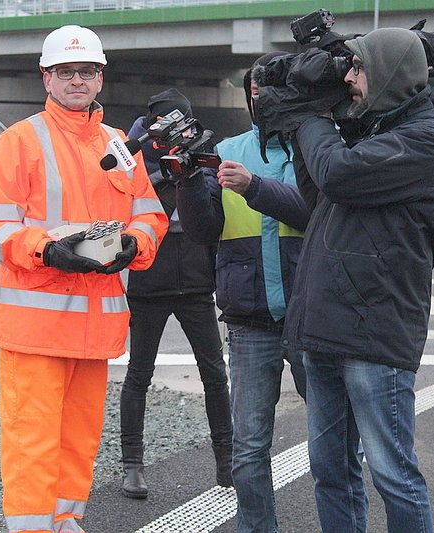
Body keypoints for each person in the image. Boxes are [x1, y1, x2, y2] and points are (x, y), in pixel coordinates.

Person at [0, 24, 168, 533]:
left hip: (93, 326)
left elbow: (150, 215)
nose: (76, 80)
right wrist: (47, 250)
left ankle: (65, 521)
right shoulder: (19, 141)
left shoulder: (120, 144)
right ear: (47, 78)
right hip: (36, 325)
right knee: (32, 438)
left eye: (86, 71)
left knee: (80, 438)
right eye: (66, 72)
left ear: (100, 78)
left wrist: (134, 243)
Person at [282, 28, 434, 532]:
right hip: (328, 325)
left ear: (388, 73)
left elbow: (337, 175)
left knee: (393, 474)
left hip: (375, 332)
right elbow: (319, 198)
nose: (348, 78)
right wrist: (305, 128)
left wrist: (310, 117)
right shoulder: (373, 131)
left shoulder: (426, 139)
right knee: (330, 470)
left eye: (357, 67)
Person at [176, 53, 309, 533]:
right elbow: (203, 230)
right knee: (249, 447)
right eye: (254, 94)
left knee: (335, 440)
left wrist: (254, 186)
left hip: (312, 315)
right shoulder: (229, 148)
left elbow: (314, 212)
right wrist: (187, 179)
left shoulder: (319, 147)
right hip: (250, 317)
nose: (262, 102)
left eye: (272, 93)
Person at [119, 88, 233, 499]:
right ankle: (132, 465)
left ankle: (227, 461)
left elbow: (215, 207)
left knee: (214, 374)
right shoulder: (132, 154)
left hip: (197, 279)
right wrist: (164, 173)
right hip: (149, 277)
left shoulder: (202, 149)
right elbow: (119, 201)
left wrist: (192, 166)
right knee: (139, 374)